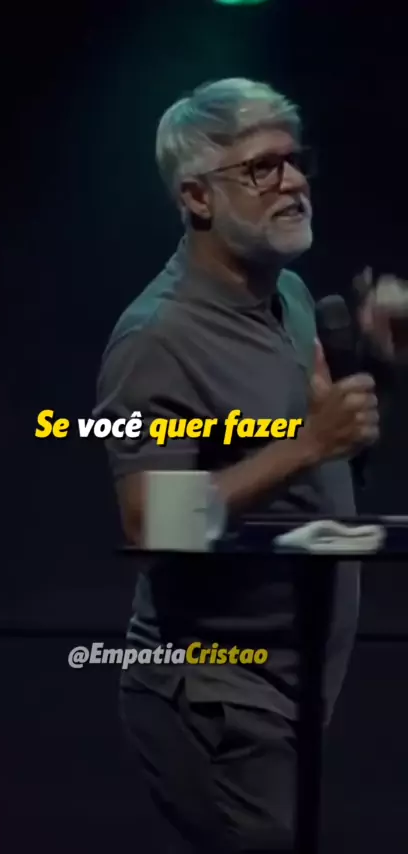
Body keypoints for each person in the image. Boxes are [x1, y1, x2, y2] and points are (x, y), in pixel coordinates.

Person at [94, 79, 408, 853]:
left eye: (294, 161)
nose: (294, 181)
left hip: (294, 684)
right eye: (262, 168)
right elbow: (149, 523)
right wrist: (309, 443)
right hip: (215, 694)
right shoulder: (156, 338)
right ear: (197, 197)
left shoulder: (289, 296)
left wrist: (379, 369)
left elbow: (311, 474)